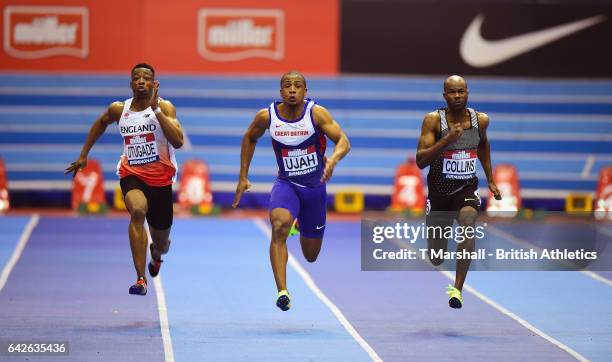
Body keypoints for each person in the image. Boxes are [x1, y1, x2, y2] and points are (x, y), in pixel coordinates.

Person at [232, 71, 350, 311]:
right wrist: (243, 176)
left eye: (298, 86)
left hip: (314, 190)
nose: (292, 90)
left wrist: (333, 160)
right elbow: (249, 137)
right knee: (278, 226)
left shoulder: (316, 113)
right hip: (286, 185)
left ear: (306, 91)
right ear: (281, 91)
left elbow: (343, 141)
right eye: (287, 86)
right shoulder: (267, 116)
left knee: (310, 255)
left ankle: (299, 224)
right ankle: (282, 291)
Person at [65, 63, 184, 295]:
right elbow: (101, 123)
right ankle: (141, 279)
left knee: (162, 244)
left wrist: (156, 110)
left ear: (154, 84)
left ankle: (156, 256)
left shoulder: (165, 107)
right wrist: (83, 155)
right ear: (131, 84)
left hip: (161, 181)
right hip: (132, 175)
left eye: (146, 78)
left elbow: (178, 141)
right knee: (137, 211)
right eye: (137, 78)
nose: (141, 81)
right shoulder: (119, 110)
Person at [416, 75, 501, 309]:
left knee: (468, 221)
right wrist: (447, 140)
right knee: (436, 257)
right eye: (452, 92)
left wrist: (491, 180)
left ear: (467, 93)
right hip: (439, 193)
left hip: (466, 188)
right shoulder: (433, 121)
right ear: (444, 96)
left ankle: (457, 289)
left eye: (461, 91)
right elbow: (420, 161)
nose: (457, 96)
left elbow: (483, 144)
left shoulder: (480, 121)